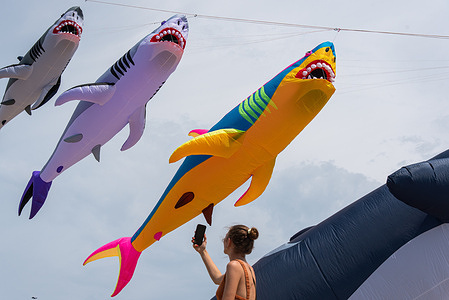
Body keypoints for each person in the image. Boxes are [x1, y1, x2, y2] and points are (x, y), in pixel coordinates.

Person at [192, 224, 259, 300]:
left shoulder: (234, 266)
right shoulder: (249, 269)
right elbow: (217, 279)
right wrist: (203, 251)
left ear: (229, 242)